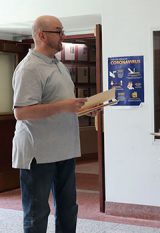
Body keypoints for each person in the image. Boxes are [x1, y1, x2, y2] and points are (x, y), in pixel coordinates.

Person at [12, 15, 88, 233]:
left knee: (68, 209)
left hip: (64, 149)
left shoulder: (59, 65)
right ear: (42, 35)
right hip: (39, 153)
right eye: (59, 31)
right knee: (37, 213)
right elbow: (21, 112)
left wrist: (86, 108)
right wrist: (65, 106)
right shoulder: (29, 68)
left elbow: (62, 104)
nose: (64, 35)